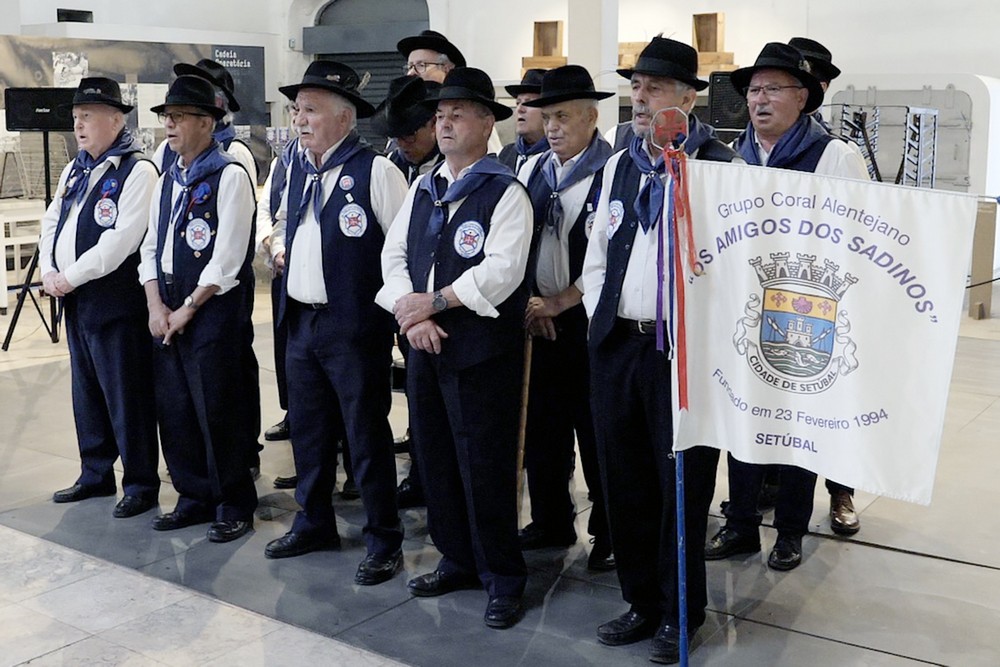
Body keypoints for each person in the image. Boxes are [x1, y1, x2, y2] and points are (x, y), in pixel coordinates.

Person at [580, 36, 739, 664]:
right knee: (624, 482)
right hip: (619, 344)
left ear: (687, 97)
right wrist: (604, 312)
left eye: (651, 87)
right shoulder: (622, 164)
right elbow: (598, 251)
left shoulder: (718, 169)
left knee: (681, 487)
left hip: (683, 354)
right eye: (635, 86)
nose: (639, 97)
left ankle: (681, 611)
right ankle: (641, 600)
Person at [705, 42, 870, 572]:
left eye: (773, 89)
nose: (759, 99)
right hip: (748, 308)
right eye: (753, 90)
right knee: (745, 418)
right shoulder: (735, 157)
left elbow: (858, 234)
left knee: (799, 425)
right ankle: (740, 524)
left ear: (804, 98)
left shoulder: (834, 156)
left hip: (811, 311)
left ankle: (791, 531)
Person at [377, 67, 532, 629]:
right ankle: (456, 557)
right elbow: (393, 258)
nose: (443, 123)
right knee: (435, 458)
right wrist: (411, 312)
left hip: (479, 352)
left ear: (487, 122)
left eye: (457, 113)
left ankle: (502, 576)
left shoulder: (504, 190)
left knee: (483, 465)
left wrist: (434, 304)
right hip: (424, 343)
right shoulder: (424, 186)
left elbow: (503, 271)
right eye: (439, 115)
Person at [263, 61, 408, 588]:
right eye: (297, 110)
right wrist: (278, 246)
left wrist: (398, 312)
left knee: (365, 435)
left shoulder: (377, 172)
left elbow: (404, 249)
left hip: (354, 328)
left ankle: (383, 538)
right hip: (300, 321)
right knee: (308, 431)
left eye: (310, 110)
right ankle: (313, 521)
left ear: (344, 117)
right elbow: (280, 221)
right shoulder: (298, 165)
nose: (299, 120)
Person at [139, 75, 258, 543]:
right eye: (166, 117)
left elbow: (228, 258)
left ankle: (233, 502)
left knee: (218, 408)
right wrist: (155, 304)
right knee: (175, 407)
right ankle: (192, 495)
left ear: (207, 123)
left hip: (210, 308)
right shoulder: (168, 179)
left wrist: (187, 309)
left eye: (178, 117)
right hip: (166, 304)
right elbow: (150, 247)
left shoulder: (229, 175)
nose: (168, 125)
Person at [41, 77, 160, 519]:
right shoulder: (77, 168)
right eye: (75, 118)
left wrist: (69, 276)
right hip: (75, 298)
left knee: (125, 394)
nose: (79, 126)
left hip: (115, 301)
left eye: (87, 117)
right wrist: (50, 269)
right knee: (86, 391)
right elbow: (52, 220)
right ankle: (95, 471)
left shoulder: (137, 170)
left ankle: (141, 481)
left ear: (116, 119)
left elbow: (120, 242)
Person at [515, 65, 615, 571]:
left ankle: (609, 532)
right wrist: (533, 303)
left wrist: (561, 301)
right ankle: (551, 518)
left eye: (563, 116)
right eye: (546, 115)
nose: (551, 126)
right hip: (538, 318)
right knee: (543, 431)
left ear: (592, 117)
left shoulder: (612, 171)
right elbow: (514, 243)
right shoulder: (531, 170)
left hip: (589, 324)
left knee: (596, 431)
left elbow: (610, 258)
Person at [373, 75, 447, 509]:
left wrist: (428, 307)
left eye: (410, 134)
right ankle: (419, 471)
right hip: (402, 303)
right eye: (395, 136)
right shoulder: (394, 165)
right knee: (416, 398)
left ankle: (433, 475)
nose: (403, 142)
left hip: (445, 309)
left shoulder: (455, 166)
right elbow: (393, 247)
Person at [397, 30, 503, 154]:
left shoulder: (473, 119)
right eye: (409, 66)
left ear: (446, 69)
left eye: (421, 65)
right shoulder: (404, 114)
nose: (411, 73)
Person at [497, 69, 548, 172]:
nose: (520, 109)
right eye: (518, 103)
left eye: (528, 103)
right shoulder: (505, 154)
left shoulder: (557, 157)